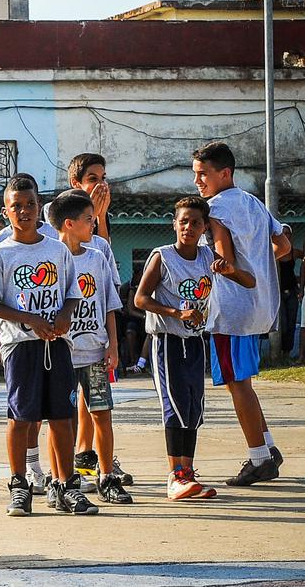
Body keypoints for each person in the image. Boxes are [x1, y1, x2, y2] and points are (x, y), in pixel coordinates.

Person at [0, 176, 95, 517]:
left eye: (30, 204)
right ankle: (19, 485)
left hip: (57, 343)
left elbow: (72, 293)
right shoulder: (0, 253)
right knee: (21, 417)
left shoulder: (56, 250)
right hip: (20, 345)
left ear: (39, 207)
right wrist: (30, 319)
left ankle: (66, 485)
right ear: (6, 211)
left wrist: (65, 316)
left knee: (62, 416)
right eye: (16, 206)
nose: (24, 211)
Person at [193, 141, 291, 485]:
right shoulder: (253, 201)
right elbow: (284, 245)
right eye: (195, 174)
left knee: (238, 385)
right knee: (243, 383)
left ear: (225, 173)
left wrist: (229, 267)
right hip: (259, 305)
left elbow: (225, 259)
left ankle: (259, 458)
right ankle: (267, 447)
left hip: (232, 308)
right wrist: (259, 265)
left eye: (203, 174)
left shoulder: (215, 208)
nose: (198, 181)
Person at [134, 196, 221, 500]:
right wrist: (175, 312)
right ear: (174, 224)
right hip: (168, 340)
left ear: (204, 227)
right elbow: (140, 299)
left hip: (195, 340)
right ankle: (175, 475)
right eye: (183, 221)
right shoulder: (163, 257)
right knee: (175, 405)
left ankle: (188, 472)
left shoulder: (208, 257)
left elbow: (239, 275)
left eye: (195, 222)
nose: (188, 227)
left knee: (194, 407)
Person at [47, 190, 131, 504]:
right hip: (61, 354)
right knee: (60, 420)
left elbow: (109, 304)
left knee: (102, 414)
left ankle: (106, 477)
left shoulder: (96, 257)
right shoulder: (50, 258)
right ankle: (61, 480)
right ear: (69, 223)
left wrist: (113, 345)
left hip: (95, 352)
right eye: (88, 219)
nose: (93, 224)